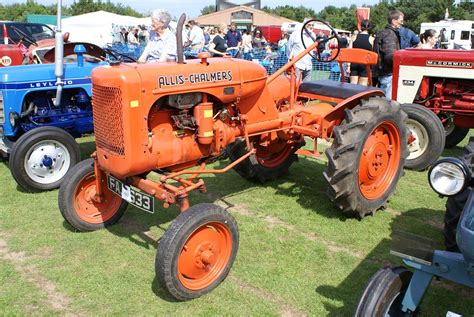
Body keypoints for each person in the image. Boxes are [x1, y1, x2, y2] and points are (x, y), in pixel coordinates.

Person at [373, 9, 404, 99]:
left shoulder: (385, 33)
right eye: (401, 21)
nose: (402, 23)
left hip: (382, 73)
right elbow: (389, 56)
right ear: (394, 21)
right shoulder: (390, 34)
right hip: (387, 73)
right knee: (387, 104)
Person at [287, 17, 315, 82]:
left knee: (307, 87)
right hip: (297, 65)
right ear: (304, 25)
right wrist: (290, 60)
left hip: (308, 65)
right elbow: (289, 48)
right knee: (296, 85)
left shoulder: (313, 35)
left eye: (312, 25)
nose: (311, 27)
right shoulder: (296, 34)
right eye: (309, 25)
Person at [350, 19, 374, 86]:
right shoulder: (371, 39)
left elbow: (349, 52)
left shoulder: (354, 37)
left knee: (352, 85)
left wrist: (348, 66)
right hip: (365, 64)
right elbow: (373, 54)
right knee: (362, 86)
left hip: (354, 63)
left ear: (361, 26)